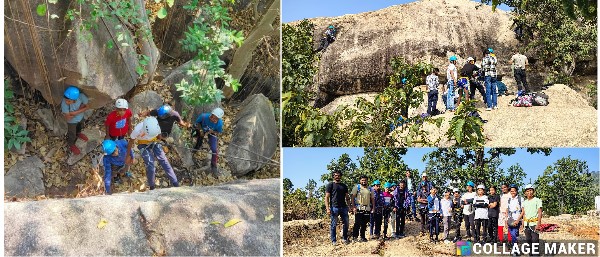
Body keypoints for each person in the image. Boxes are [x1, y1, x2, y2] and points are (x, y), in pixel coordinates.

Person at [125, 117, 179, 190]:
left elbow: (159, 136)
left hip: (154, 141)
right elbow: (131, 142)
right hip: (143, 144)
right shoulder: (138, 130)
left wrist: (162, 141)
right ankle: (152, 186)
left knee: (164, 161)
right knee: (150, 165)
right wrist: (128, 155)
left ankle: (175, 183)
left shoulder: (155, 126)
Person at [193, 108, 225, 175]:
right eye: (213, 118)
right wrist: (200, 130)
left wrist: (212, 131)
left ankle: (213, 165)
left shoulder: (219, 123)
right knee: (199, 138)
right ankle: (196, 148)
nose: (213, 120)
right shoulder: (204, 116)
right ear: (211, 115)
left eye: (216, 119)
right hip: (201, 129)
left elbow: (218, 132)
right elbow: (196, 123)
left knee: (214, 149)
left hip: (211, 133)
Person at [325, 170, 351, 245]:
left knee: (346, 223)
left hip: (343, 207)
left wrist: (349, 206)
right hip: (334, 207)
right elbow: (326, 197)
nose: (337, 177)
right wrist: (327, 208)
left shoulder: (344, 186)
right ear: (333, 176)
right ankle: (334, 240)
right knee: (333, 224)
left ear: (341, 176)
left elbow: (347, 197)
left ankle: (344, 238)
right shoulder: (330, 185)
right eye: (336, 175)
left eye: (338, 175)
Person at [61, 86, 89, 155]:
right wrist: (81, 109)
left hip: (80, 117)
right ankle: (71, 143)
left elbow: (88, 106)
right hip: (71, 122)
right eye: (66, 100)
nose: (66, 102)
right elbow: (68, 118)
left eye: (69, 101)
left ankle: (78, 133)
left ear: (75, 99)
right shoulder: (64, 103)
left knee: (80, 125)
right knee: (72, 133)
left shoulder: (81, 96)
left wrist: (74, 113)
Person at [520, 184, 542, 255]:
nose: (529, 192)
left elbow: (539, 212)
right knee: (528, 240)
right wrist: (522, 225)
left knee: (535, 240)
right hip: (527, 224)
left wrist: (538, 223)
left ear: (533, 191)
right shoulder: (524, 202)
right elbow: (524, 214)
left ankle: (535, 254)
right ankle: (531, 253)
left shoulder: (537, 200)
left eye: (530, 190)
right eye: (527, 191)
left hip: (534, 224)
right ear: (525, 193)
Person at [351, 175, 374, 242]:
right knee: (357, 223)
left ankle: (362, 237)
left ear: (367, 181)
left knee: (364, 223)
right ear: (360, 181)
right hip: (359, 207)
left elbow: (372, 199)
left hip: (367, 208)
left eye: (365, 180)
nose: (364, 181)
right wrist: (353, 207)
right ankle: (355, 237)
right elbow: (352, 197)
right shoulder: (357, 187)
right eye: (362, 180)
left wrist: (373, 208)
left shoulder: (370, 189)